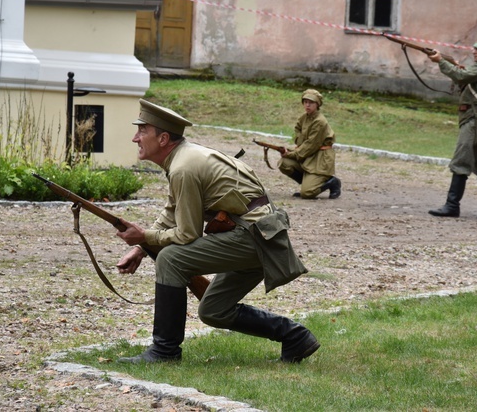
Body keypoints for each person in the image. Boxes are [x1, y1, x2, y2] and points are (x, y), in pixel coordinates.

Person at [114, 99, 320, 364]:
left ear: (163, 138)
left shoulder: (183, 167)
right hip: (260, 234)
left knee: (170, 258)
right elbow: (171, 211)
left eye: (142, 131)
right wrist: (142, 248)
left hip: (253, 237)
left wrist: (145, 236)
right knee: (213, 311)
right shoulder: (183, 159)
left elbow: (187, 234)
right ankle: (296, 337)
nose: (135, 138)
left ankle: (164, 352)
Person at [426, 33, 477, 219]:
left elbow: (461, 76)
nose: (474, 51)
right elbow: (464, 77)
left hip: (475, 121)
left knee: (461, 161)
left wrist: (440, 61)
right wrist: (453, 66)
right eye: (475, 48)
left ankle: (452, 206)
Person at [277, 89, 341, 199]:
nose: (307, 105)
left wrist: (291, 153)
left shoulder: (320, 121)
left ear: (317, 104)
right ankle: (309, 183)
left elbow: (311, 146)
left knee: (307, 194)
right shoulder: (304, 117)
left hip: (320, 160)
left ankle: (332, 182)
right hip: (308, 157)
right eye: (305, 102)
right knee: (284, 163)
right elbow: (297, 131)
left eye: (311, 103)